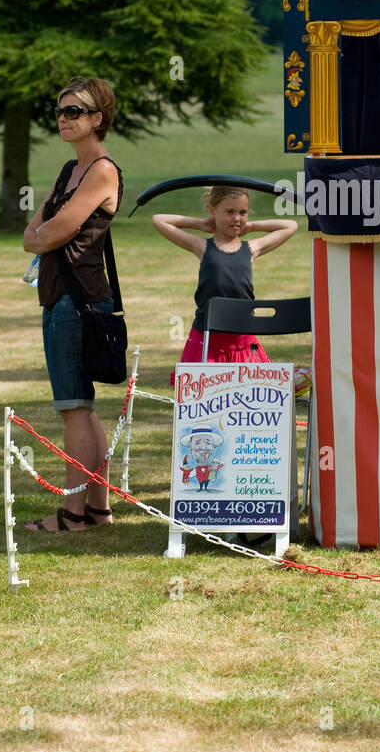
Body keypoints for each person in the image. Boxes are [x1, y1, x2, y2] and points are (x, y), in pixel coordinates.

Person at [23, 76, 123, 533]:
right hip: (61, 296)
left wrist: (44, 235)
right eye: (60, 112)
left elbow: (58, 229)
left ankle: (72, 516)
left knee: (74, 408)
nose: (63, 119)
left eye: (74, 112)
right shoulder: (68, 170)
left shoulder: (102, 169)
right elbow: (33, 233)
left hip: (78, 301)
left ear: (96, 119)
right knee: (83, 406)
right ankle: (97, 510)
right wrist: (42, 235)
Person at [152, 186, 297, 377]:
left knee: (247, 394)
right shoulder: (202, 246)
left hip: (242, 338)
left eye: (242, 212)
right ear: (213, 211)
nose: (237, 218)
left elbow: (290, 225)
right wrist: (202, 224)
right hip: (208, 338)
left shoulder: (251, 248)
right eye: (229, 212)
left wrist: (252, 226)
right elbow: (159, 220)